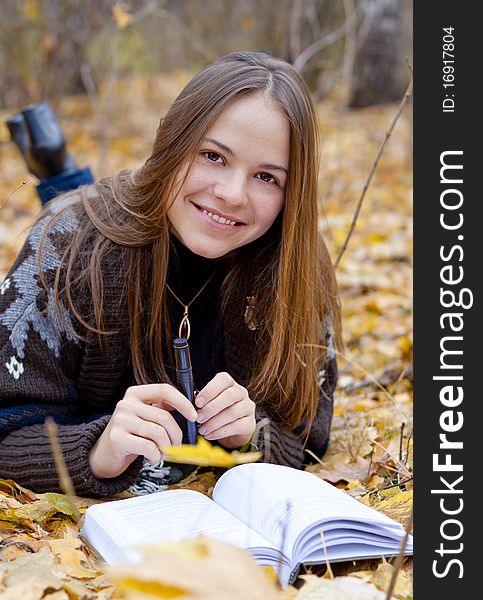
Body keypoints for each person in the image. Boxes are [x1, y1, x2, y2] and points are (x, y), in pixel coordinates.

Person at [0, 51, 342, 497]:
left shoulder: (296, 264)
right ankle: (58, 171)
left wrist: (252, 437)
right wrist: (96, 451)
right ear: (174, 142)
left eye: (266, 177)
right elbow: (8, 426)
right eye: (213, 156)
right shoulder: (67, 245)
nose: (232, 193)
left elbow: (308, 436)